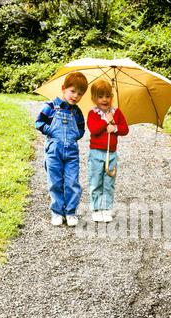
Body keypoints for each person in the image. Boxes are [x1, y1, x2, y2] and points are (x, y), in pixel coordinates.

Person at [35, 72, 88, 226]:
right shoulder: (50, 106)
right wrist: (49, 131)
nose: (75, 96)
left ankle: (71, 212)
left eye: (79, 94)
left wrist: (74, 136)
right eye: (72, 91)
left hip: (72, 153)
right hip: (54, 152)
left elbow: (81, 130)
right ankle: (57, 212)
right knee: (55, 182)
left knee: (72, 182)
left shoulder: (77, 112)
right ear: (64, 88)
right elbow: (39, 122)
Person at [87, 80, 129, 223]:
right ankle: (96, 209)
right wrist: (105, 121)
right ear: (94, 98)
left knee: (109, 182)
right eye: (100, 96)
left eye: (107, 96)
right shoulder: (92, 114)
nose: (104, 99)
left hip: (111, 154)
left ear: (112, 97)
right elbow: (94, 130)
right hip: (96, 153)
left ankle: (106, 208)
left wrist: (115, 128)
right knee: (96, 180)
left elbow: (125, 129)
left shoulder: (116, 113)